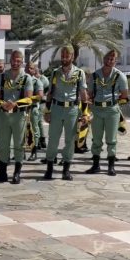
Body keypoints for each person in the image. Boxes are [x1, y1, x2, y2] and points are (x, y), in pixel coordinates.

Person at [43, 45, 87, 181]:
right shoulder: (55, 73)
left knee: (69, 141)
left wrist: (84, 113)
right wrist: (47, 110)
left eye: (67, 55)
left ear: (72, 57)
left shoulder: (79, 73)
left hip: (72, 110)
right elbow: (50, 93)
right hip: (56, 108)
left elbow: (83, 94)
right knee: (53, 140)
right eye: (62, 55)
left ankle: (66, 170)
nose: (64, 58)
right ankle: (49, 168)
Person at [0, 50, 33, 184]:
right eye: (13, 60)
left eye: (18, 61)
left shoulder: (26, 78)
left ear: (22, 62)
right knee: (3, 144)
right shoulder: (1, 77)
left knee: (19, 144)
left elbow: (29, 98)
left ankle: (17, 173)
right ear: (10, 60)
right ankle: (2, 172)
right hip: (3, 115)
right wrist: (3, 103)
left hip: (19, 115)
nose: (15, 63)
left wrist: (16, 104)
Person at [85, 50, 128, 176]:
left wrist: (114, 105)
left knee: (111, 139)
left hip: (111, 110)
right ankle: (96, 165)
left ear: (116, 61)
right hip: (97, 110)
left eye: (112, 59)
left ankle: (111, 166)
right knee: (96, 139)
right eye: (108, 58)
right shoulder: (94, 75)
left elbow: (124, 95)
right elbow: (90, 93)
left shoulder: (120, 76)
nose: (109, 61)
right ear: (104, 59)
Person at [25, 62, 44, 160]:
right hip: (22, 109)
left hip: (33, 109)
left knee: (35, 130)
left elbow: (40, 96)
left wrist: (28, 98)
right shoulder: (21, 80)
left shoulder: (37, 82)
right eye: (27, 68)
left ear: (34, 70)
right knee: (22, 131)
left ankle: (34, 152)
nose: (29, 70)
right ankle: (21, 153)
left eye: (31, 68)